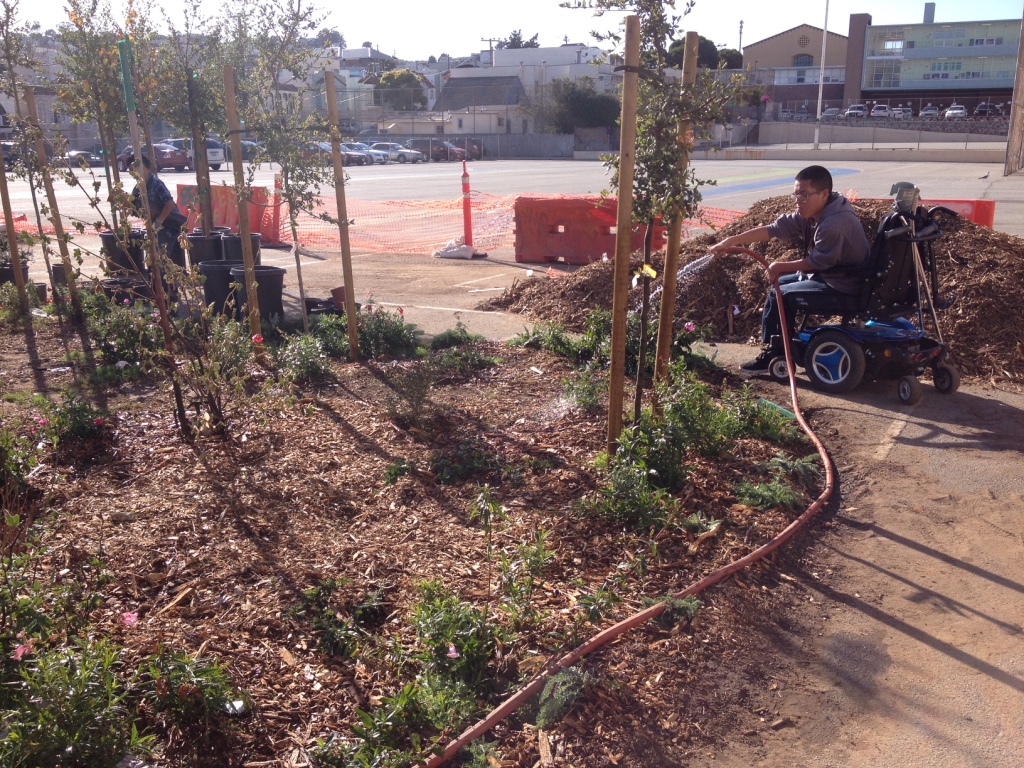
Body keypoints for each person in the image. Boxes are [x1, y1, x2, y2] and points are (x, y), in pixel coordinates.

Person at [710, 165, 870, 375]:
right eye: (795, 195)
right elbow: (773, 230)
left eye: (804, 195)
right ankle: (781, 348)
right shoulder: (814, 212)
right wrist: (732, 241)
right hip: (833, 276)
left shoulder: (835, 223)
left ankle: (774, 354)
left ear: (824, 194)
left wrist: (780, 266)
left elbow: (818, 262)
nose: (798, 201)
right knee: (780, 286)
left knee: (780, 293)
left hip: (845, 286)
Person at [130, 155, 187, 270]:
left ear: (143, 166)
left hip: (168, 227)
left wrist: (158, 222)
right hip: (154, 228)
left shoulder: (155, 183)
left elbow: (169, 204)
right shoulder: (138, 187)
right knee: (152, 259)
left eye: (133, 168)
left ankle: (168, 285)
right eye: (130, 170)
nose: (132, 172)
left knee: (160, 259)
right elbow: (134, 208)